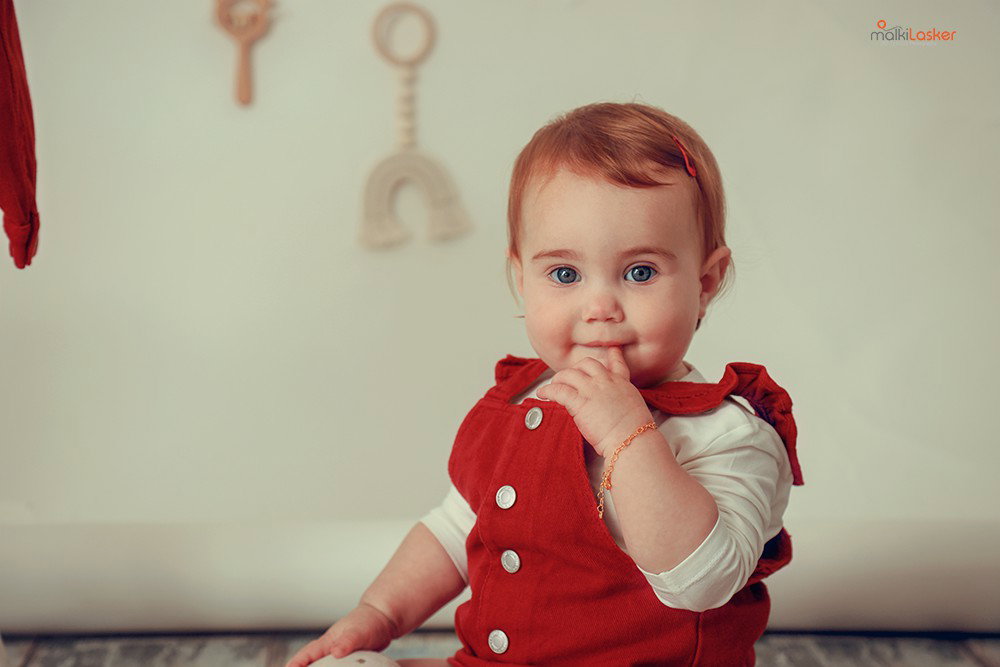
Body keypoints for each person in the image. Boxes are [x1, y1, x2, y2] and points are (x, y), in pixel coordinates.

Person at [287, 102, 803, 667]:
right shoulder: (518, 402)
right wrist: (378, 613)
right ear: (522, 278)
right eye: (565, 274)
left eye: (640, 272)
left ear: (705, 283)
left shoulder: (726, 433)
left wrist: (627, 435)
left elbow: (704, 581)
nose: (599, 306)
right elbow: (456, 530)